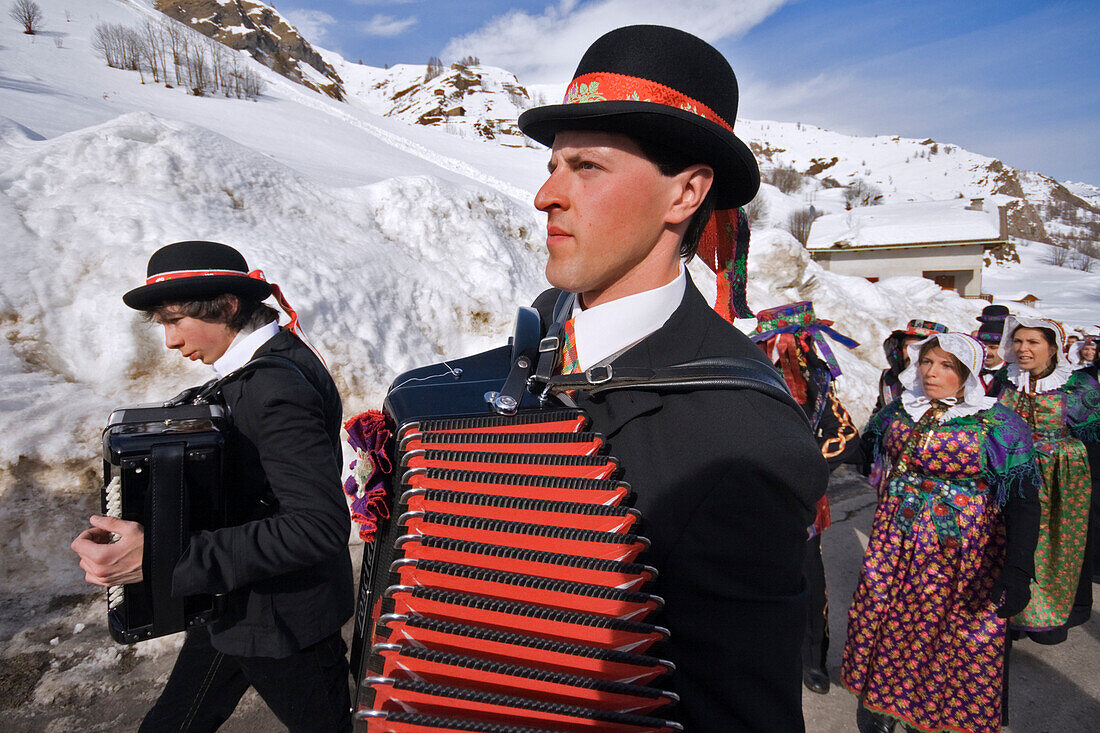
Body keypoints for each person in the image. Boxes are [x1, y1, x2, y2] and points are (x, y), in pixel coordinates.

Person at [516, 25, 828, 730]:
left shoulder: (746, 441)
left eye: (585, 167)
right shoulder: (541, 327)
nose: (545, 195)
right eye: (553, 164)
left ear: (686, 192)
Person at [70, 241, 354, 732]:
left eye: (174, 321)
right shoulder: (261, 367)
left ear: (226, 306)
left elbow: (318, 526)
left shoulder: (275, 387)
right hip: (236, 601)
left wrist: (166, 556)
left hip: (283, 621)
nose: (170, 342)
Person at [842, 333, 1040, 733]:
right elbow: (861, 451)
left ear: (967, 373)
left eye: (946, 366)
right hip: (893, 541)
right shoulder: (899, 411)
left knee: (950, 633)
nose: (931, 372)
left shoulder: (997, 424)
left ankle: (936, 715)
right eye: (928, 362)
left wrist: (1018, 570)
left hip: (959, 550)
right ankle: (881, 702)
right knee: (888, 620)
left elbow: (1023, 499)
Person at [750, 302, 861, 697]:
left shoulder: (819, 385)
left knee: (810, 585)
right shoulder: (745, 379)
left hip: (803, 505)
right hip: (753, 503)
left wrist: (804, 465)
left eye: (797, 345)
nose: (790, 352)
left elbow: (846, 435)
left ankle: (812, 659)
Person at [992, 316, 1100, 645]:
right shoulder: (1005, 380)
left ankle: (1050, 615)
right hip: (1012, 474)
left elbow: (1095, 438)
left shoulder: (1078, 387)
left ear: (1053, 348)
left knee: (1055, 544)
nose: (1024, 349)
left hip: (1061, 482)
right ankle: (1012, 615)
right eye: (1019, 342)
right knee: (1010, 540)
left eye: (1033, 342)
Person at [875, 320, 948, 412]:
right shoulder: (890, 380)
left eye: (918, 348)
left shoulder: (950, 385)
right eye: (907, 347)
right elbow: (878, 416)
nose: (910, 354)